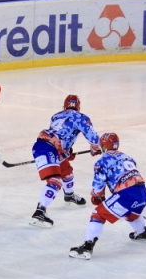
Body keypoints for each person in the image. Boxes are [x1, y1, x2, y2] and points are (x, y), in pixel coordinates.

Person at [69, 133, 146, 260]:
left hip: (126, 194)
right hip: (143, 193)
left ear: (104, 146)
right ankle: (142, 232)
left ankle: (87, 246)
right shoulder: (128, 157)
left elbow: (98, 186)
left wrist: (97, 196)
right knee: (129, 212)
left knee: (98, 214)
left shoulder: (102, 161)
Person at [29, 95, 100, 228]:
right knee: (55, 181)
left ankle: (69, 196)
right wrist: (95, 148)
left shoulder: (56, 116)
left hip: (45, 146)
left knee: (66, 172)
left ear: (64, 106)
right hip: (48, 148)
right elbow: (94, 139)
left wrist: (66, 152)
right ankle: (40, 212)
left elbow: (60, 135)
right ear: (78, 107)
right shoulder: (81, 117)